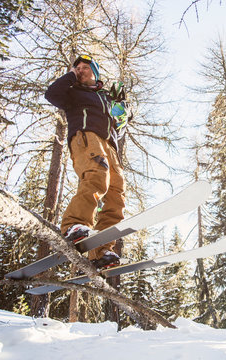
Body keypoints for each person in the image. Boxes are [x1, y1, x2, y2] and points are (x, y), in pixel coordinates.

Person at [45, 55, 131, 269]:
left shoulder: (106, 97)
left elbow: (119, 127)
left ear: (95, 71)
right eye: (78, 68)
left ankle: (101, 250)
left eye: (85, 67)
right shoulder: (73, 92)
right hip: (87, 137)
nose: (81, 70)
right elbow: (52, 95)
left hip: (109, 145)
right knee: (96, 175)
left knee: (116, 194)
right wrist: (70, 76)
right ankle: (75, 224)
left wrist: (124, 110)